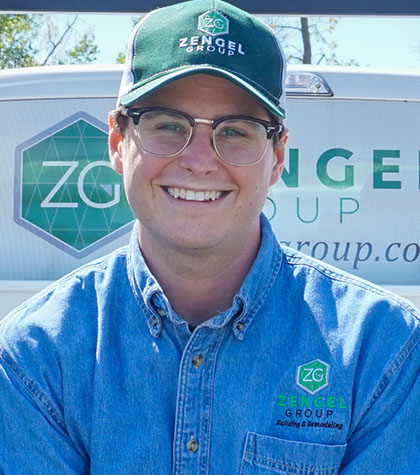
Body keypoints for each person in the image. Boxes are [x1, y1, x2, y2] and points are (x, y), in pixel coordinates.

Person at [1, 0, 420, 473]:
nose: (200, 161)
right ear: (118, 144)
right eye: (168, 125)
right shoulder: (35, 356)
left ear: (278, 157)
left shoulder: (382, 348)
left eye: (235, 131)